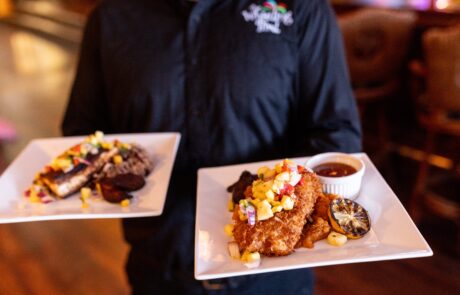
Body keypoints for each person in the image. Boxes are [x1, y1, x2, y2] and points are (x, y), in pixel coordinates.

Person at [62, 0, 361, 294]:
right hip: (159, 267)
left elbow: (336, 132)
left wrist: (280, 198)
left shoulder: (300, 8)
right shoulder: (110, 17)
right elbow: (83, 134)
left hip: (274, 275)